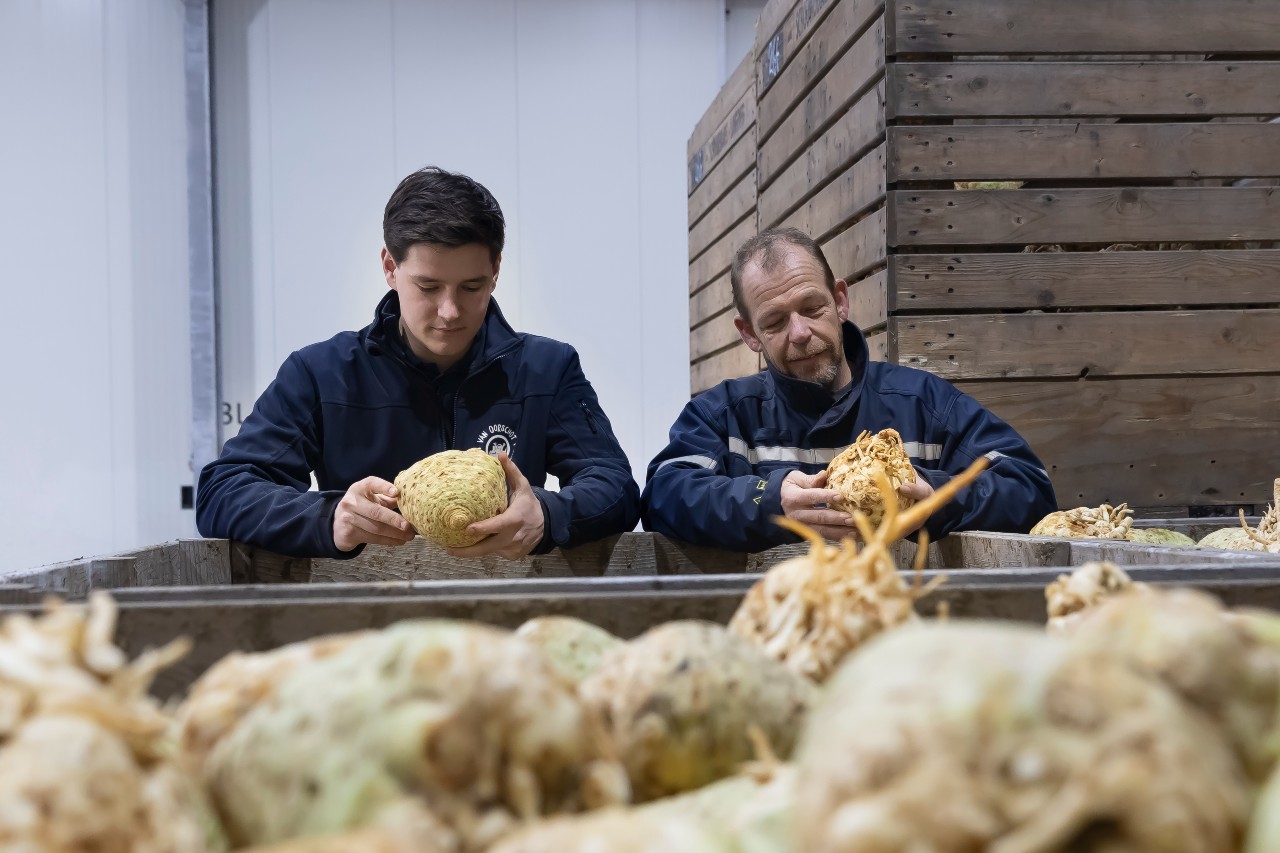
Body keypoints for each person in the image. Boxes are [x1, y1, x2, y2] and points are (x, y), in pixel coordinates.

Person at [197, 167, 639, 560]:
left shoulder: (547, 368)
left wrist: (545, 514)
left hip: (508, 624)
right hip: (368, 627)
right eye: (428, 287)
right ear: (390, 266)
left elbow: (616, 487)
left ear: (497, 270)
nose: (450, 311)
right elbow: (223, 492)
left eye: (472, 287)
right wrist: (330, 516)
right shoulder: (320, 374)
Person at [642, 226, 1056, 552]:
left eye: (812, 308)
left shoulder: (924, 405)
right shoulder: (723, 416)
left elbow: (1030, 485)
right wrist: (770, 501)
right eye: (774, 322)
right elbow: (664, 495)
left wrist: (933, 497)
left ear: (840, 301)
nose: (801, 333)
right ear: (750, 334)